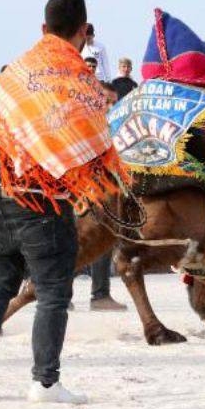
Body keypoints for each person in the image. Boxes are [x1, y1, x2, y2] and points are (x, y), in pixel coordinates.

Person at [0, 0, 129, 404]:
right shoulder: (82, 84)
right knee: (54, 293)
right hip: (44, 203)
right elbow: (94, 145)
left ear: (42, 28)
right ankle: (45, 383)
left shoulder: (12, 75)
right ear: (84, 33)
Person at [85, 83, 128, 312]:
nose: (111, 106)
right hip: (85, 191)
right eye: (106, 101)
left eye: (114, 101)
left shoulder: (115, 125)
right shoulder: (88, 125)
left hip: (106, 191)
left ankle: (100, 295)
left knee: (102, 240)